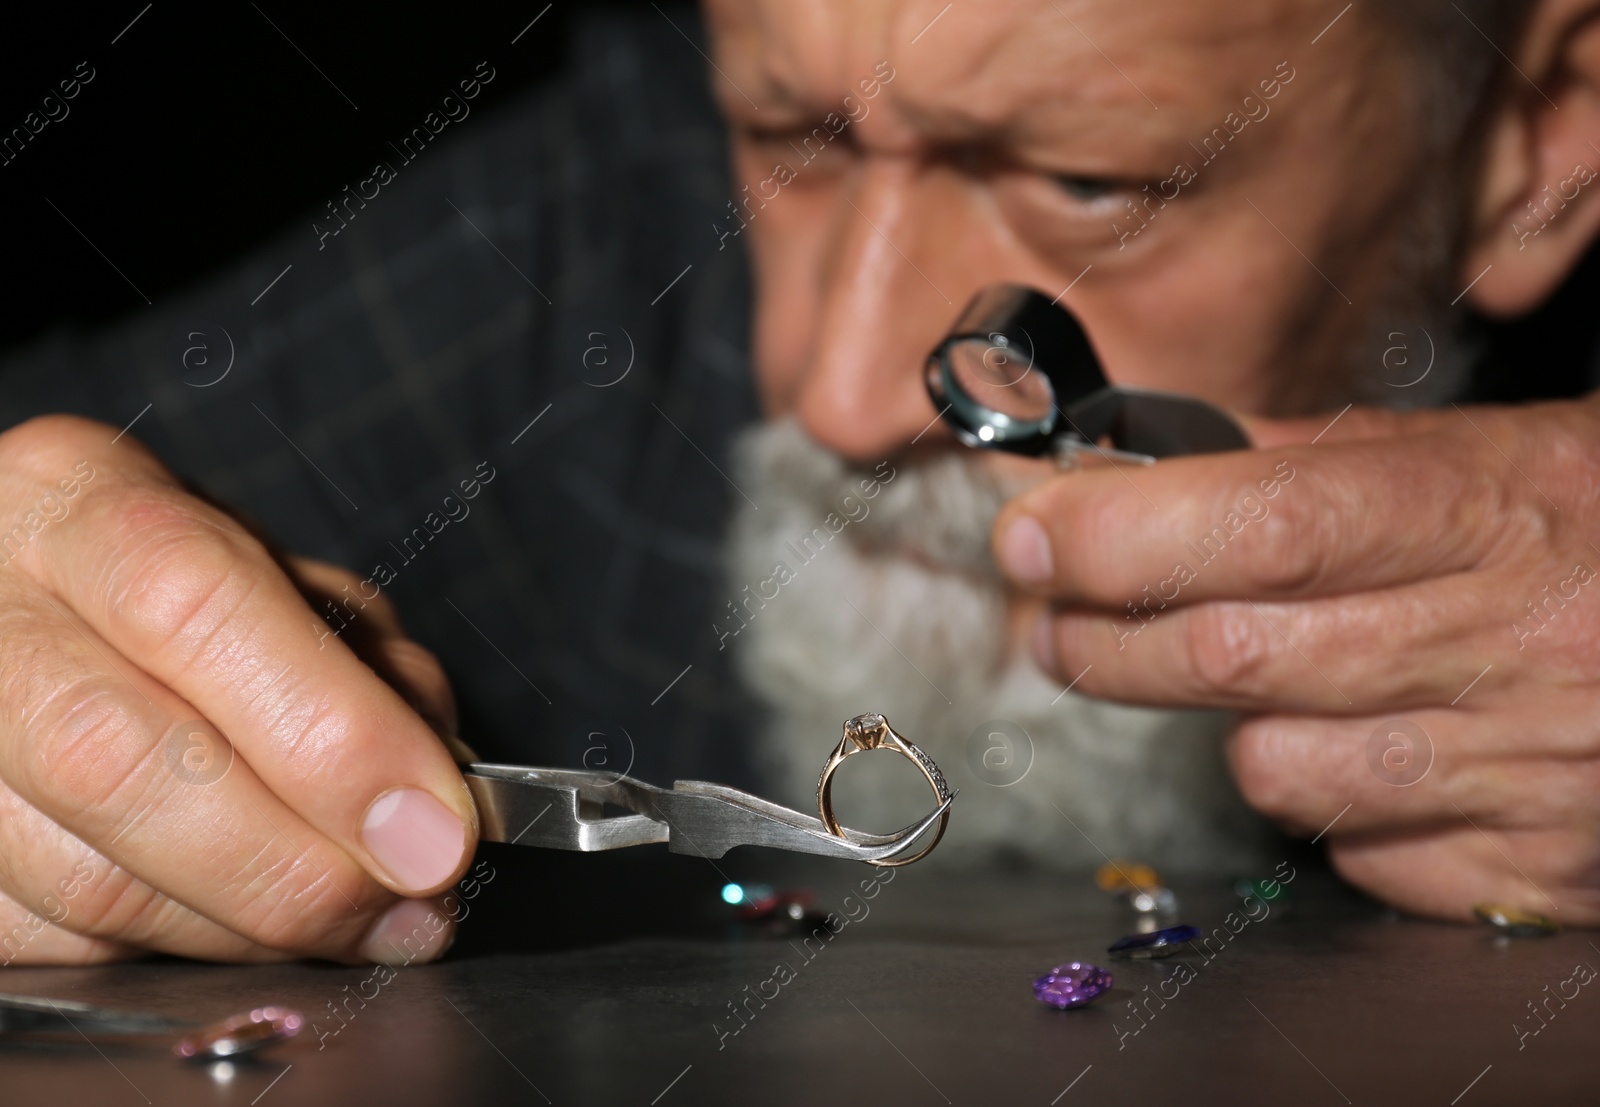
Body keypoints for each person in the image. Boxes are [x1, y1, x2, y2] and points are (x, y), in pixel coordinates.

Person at [2, 0, 1597, 968]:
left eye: (1082, 183)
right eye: (790, 136)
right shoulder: (593, 242)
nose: (836, 394)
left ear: (1538, 137)